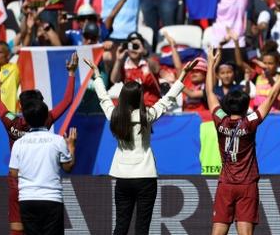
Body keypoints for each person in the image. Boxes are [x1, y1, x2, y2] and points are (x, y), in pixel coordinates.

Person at [84, 57, 196, 235]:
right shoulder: (147, 116)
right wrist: (182, 75)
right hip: (145, 177)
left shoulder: (115, 116)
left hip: (123, 177)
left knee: (121, 226)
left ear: (122, 97)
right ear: (140, 97)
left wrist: (97, 76)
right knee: (142, 228)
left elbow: (103, 98)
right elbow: (167, 100)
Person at [205, 48, 280, 235]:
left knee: (218, 231)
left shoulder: (220, 120)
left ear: (226, 106)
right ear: (246, 107)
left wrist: (211, 65)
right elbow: (271, 98)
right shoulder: (250, 122)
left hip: (226, 184)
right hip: (247, 185)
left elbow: (210, 94)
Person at [0, 53, 78, 235]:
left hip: (19, 186)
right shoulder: (45, 119)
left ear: (21, 108)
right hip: (45, 189)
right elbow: (67, 101)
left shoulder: (12, 122)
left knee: (18, 230)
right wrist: (71, 74)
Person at [8, 102, 76, 235]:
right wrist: (72, 147)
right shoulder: (58, 141)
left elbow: (13, 172)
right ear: (46, 118)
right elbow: (68, 167)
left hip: (27, 200)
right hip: (51, 200)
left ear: (26, 120)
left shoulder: (18, 143)